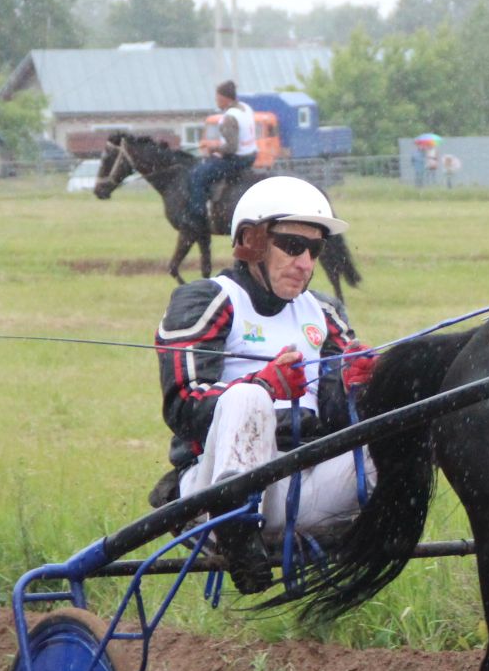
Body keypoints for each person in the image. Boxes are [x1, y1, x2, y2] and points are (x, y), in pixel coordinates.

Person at [152, 175, 376, 593]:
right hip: (212, 491)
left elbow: (339, 415)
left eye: (314, 249)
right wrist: (266, 385)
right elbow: (183, 406)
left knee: (403, 415)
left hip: (307, 489)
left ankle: (379, 532)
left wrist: (357, 385)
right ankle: (237, 529)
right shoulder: (207, 300)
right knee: (249, 396)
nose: (305, 262)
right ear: (251, 241)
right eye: (292, 246)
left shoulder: (325, 311)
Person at [186, 79, 257, 227]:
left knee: (197, 174)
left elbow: (232, 147)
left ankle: (197, 215)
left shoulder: (229, 118)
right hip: (251, 154)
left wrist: (213, 149)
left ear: (225, 98)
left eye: (217, 98)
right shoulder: (245, 107)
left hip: (238, 159)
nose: (216, 101)